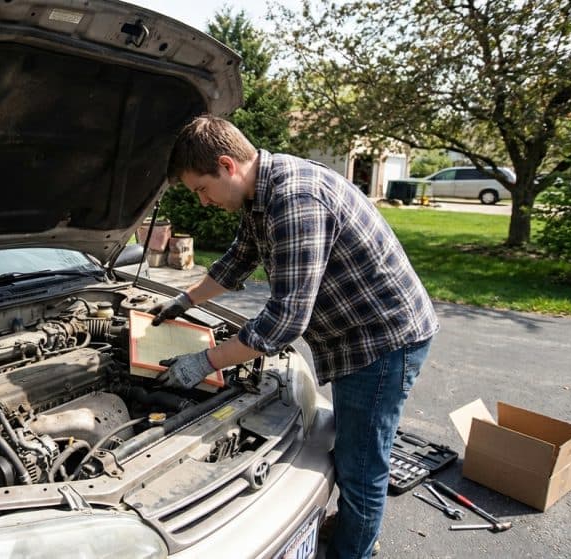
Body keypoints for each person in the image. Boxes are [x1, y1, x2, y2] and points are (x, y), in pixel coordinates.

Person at [150, 115, 438, 558]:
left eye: (201, 190)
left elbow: (285, 322)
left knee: (361, 467)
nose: (203, 203)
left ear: (227, 165)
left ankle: (354, 548)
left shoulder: (294, 198)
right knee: (354, 448)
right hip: (357, 334)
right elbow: (238, 260)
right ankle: (356, 527)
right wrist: (184, 301)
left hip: (382, 343)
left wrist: (203, 362)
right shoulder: (259, 195)